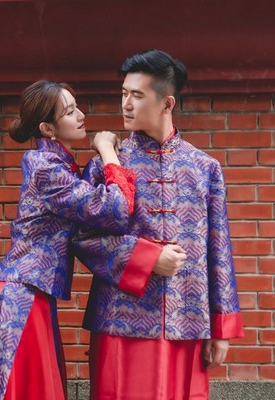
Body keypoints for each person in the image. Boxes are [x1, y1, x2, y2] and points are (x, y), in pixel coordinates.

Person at [0, 80, 137, 400]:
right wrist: (106, 152)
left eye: (76, 106)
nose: (81, 115)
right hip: (20, 301)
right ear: (48, 128)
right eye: (69, 111)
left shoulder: (59, 166)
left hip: (30, 295)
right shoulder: (46, 168)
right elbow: (115, 210)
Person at [73, 49, 244, 400]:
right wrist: (148, 258)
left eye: (137, 95)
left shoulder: (204, 168)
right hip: (120, 319)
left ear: (167, 103)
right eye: (123, 93)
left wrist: (221, 327)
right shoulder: (106, 164)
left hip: (188, 318)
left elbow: (219, 249)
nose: (126, 104)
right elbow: (81, 237)